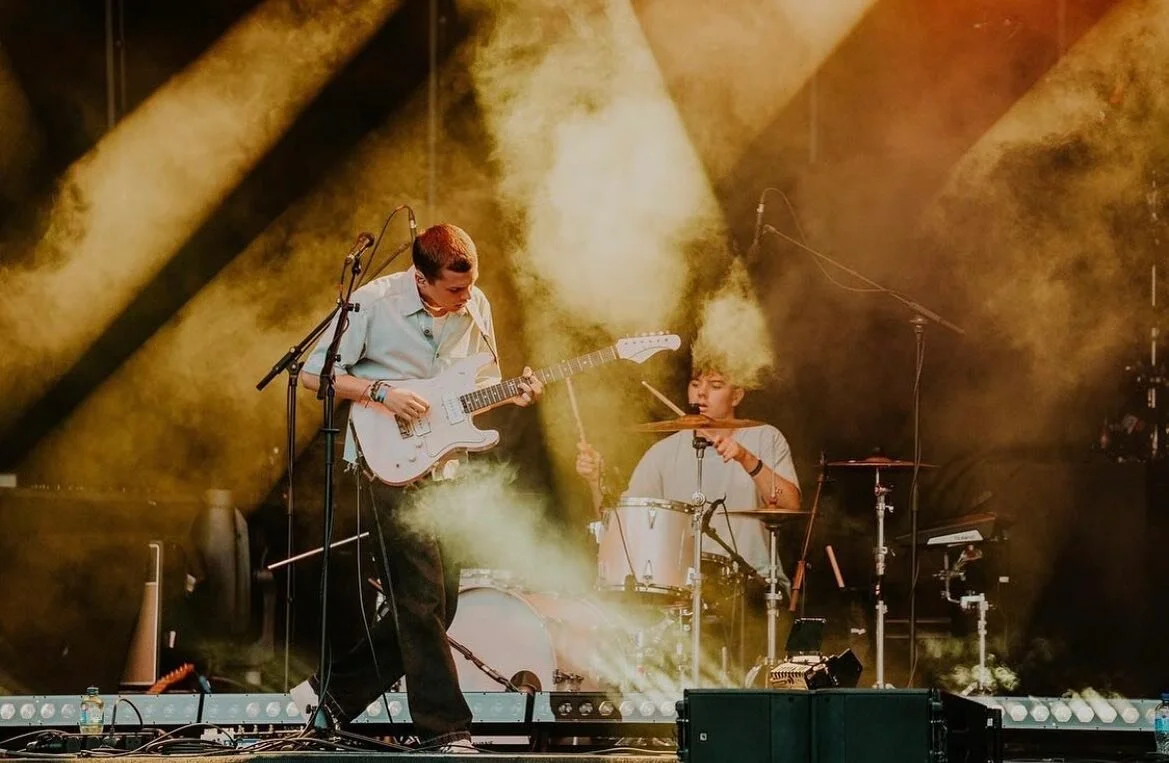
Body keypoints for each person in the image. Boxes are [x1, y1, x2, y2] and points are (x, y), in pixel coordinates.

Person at [294, 223, 542, 753]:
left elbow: (473, 389)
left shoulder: (477, 307)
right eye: (454, 289)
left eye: (470, 284)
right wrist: (381, 392)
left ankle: (328, 700)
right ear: (420, 278)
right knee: (421, 597)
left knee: (436, 605)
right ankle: (444, 729)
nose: (465, 296)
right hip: (385, 460)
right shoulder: (373, 302)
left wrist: (511, 393)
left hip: (443, 467)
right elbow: (316, 374)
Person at [576, 366, 800, 674]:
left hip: (752, 587)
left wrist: (746, 458)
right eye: (695, 385)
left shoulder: (764, 437)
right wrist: (595, 481)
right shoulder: (663, 452)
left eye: (716, 385)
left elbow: (790, 504)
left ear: (737, 395)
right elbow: (620, 525)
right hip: (683, 592)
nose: (701, 393)